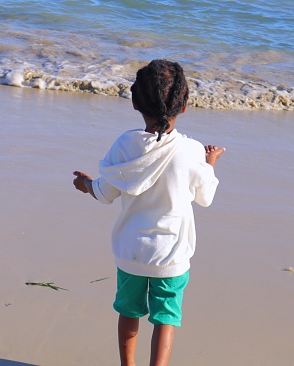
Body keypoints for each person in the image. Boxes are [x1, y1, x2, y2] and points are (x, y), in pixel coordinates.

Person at [73, 59, 225, 366]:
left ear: (134, 103)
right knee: (165, 319)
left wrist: (85, 183)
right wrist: (210, 164)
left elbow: (105, 192)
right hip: (171, 256)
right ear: (184, 107)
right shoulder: (192, 151)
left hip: (131, 252)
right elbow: (205, 197)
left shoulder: (125, 145)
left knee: (128, 313)